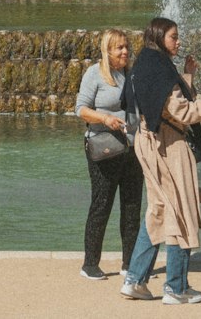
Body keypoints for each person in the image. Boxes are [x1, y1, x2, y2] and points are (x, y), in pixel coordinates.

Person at [121, 17, 201, 304]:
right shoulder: (159, 68)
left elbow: (164, 103)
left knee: (160, 210)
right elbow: (184, 114)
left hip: (148, 142)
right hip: (167, 145)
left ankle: (135, 280)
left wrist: (186, 77)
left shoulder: (146, 64)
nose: (178, 41)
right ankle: (176, 287)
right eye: (174, 36)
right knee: (181, 211)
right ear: (160, 36)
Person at [75, 29, 144, 281]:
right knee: (102, 204)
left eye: (126, 47)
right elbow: (80, 109)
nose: (125, 51)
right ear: (108, 50)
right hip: (104, 148)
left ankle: (129, 263)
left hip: (133, 148)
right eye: (119, 48)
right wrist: (105, 118)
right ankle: (90, 264)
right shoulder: (95, 74)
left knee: (132, 206)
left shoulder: (131, 74)